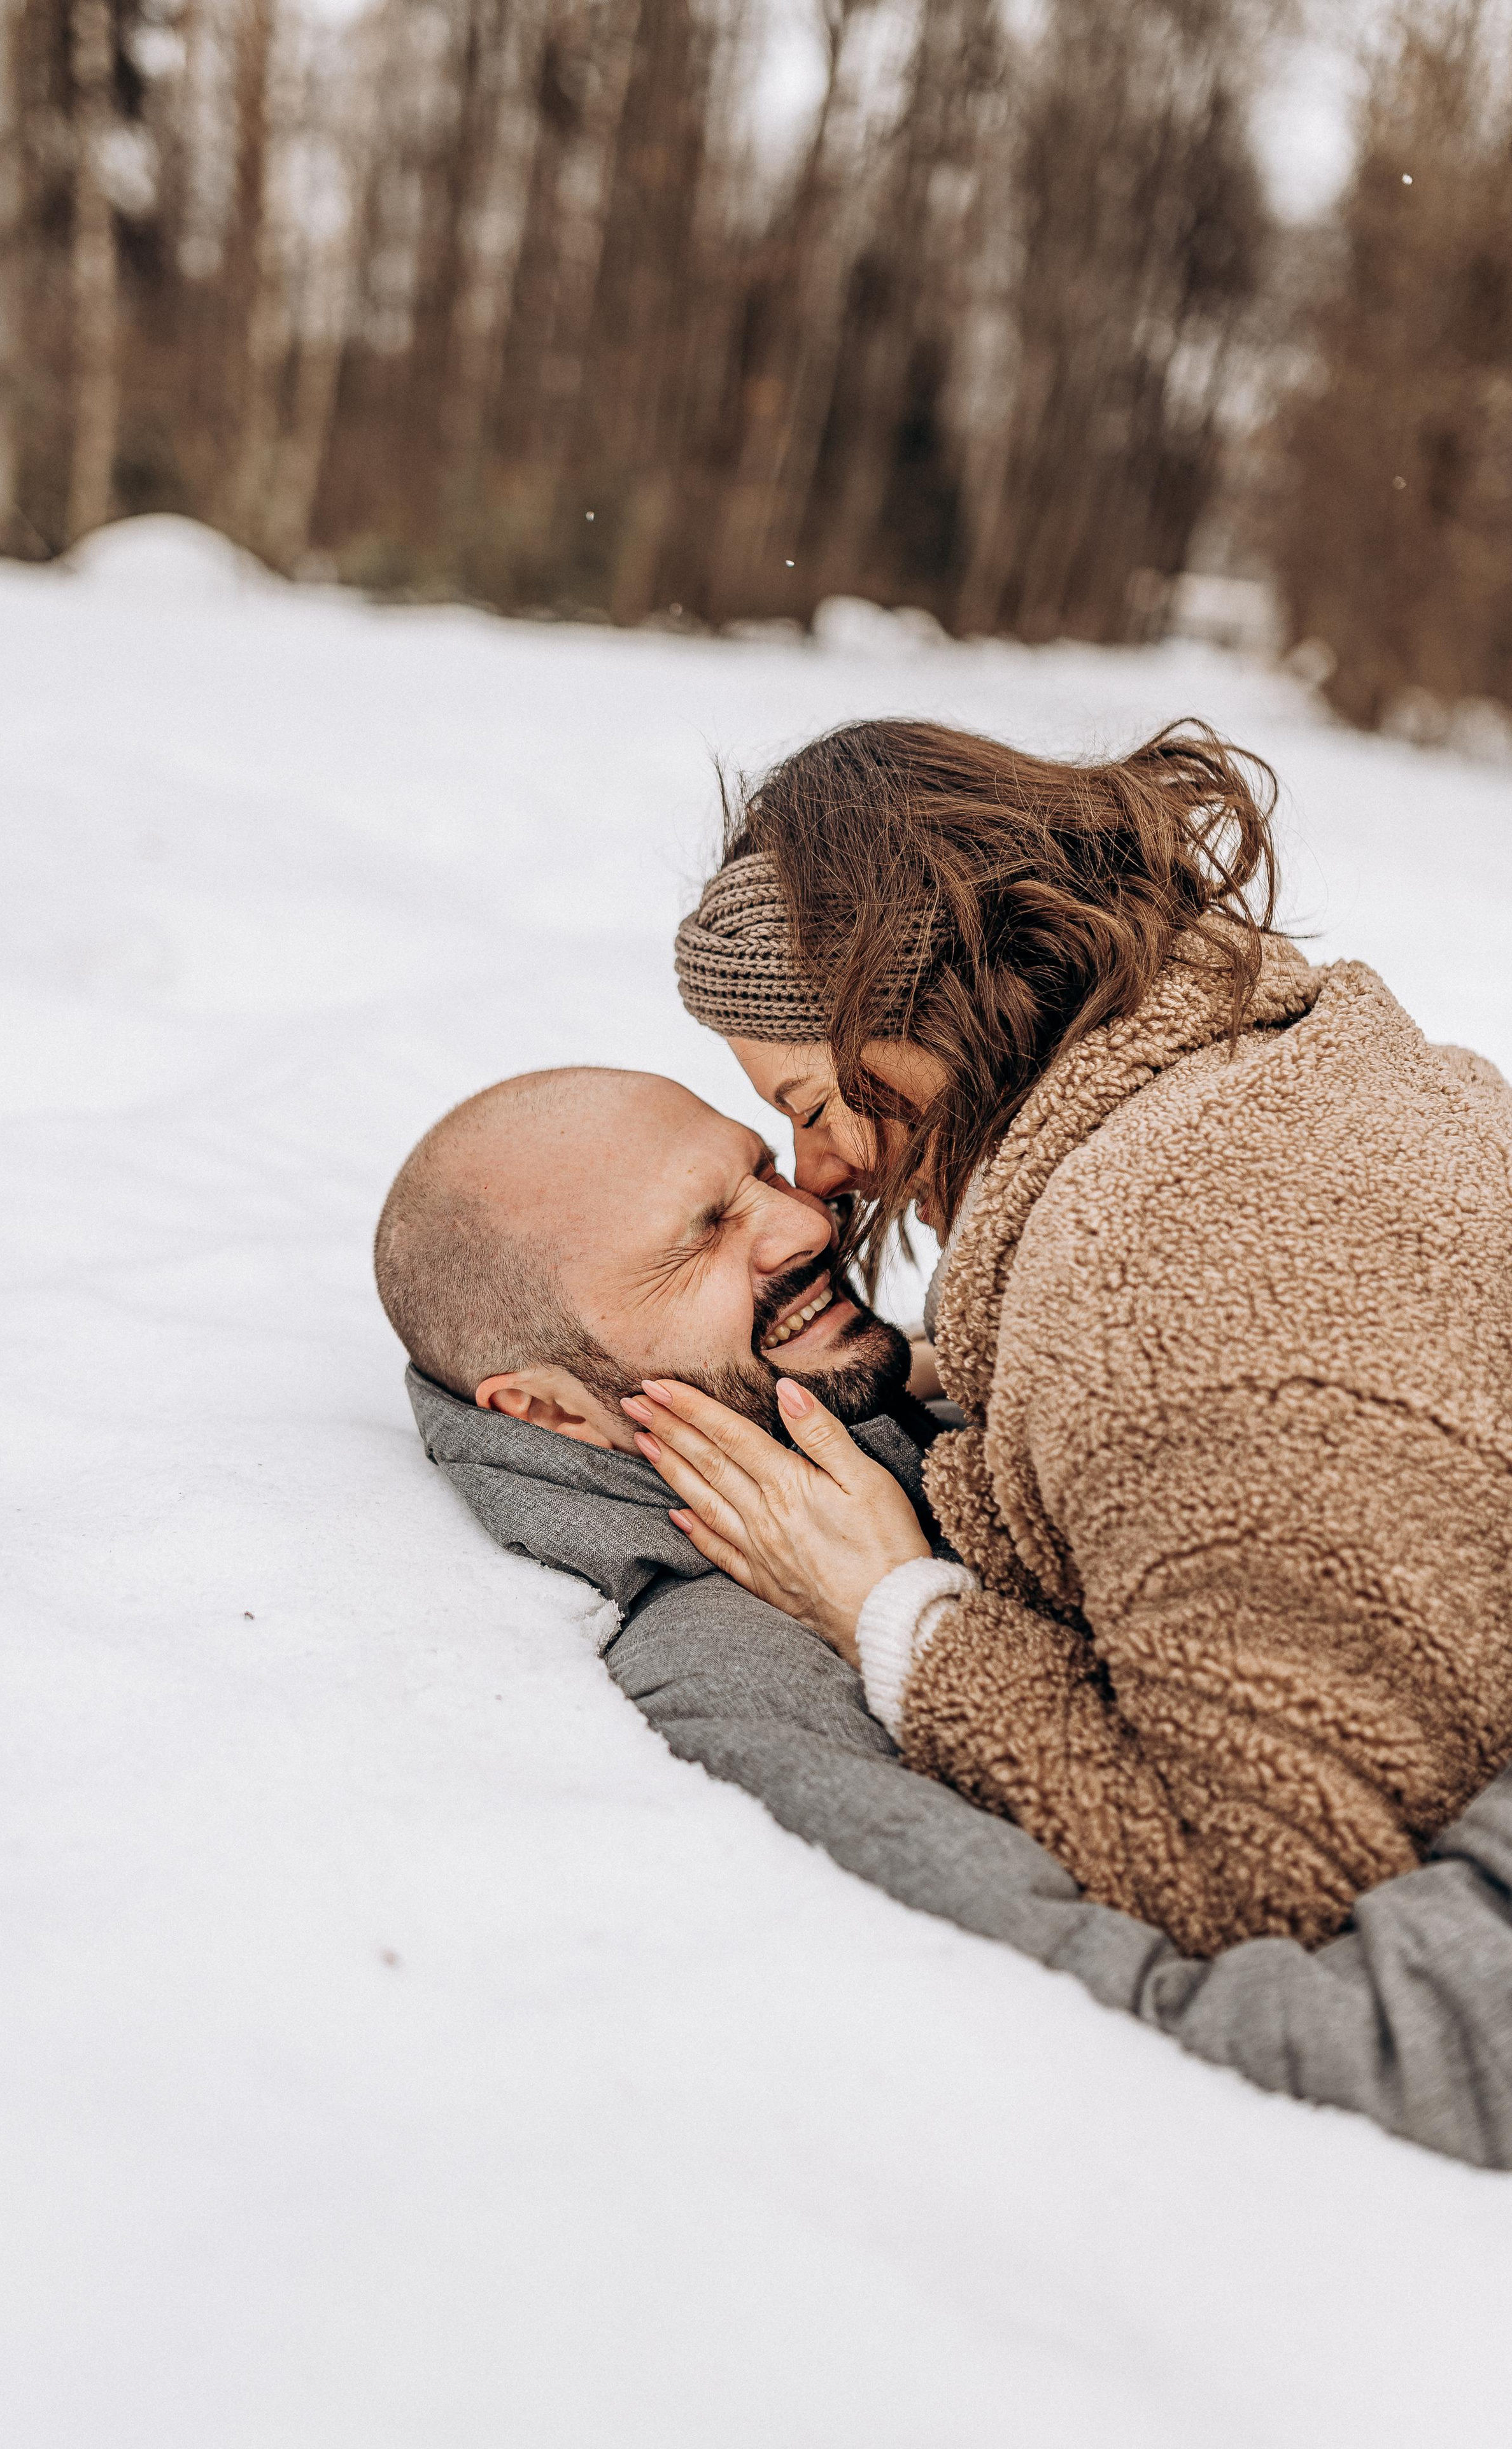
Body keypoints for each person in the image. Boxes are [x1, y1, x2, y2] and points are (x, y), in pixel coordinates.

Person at [376, 1065, 1512, 2167]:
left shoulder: (926, 1388)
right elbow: (1245, 2045)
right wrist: (906, 1621)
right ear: (549, 1413)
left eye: (762, 1169)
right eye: (706, 1236)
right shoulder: (737, 1677)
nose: (804, 1223)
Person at [663, 715, 1512, 1959]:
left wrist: (894, 1613)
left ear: (929, 1008)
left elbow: (1271, 1882)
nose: (821, 1174)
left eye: (811, 1106)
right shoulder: (1297, 1071)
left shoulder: (1142, 1295)